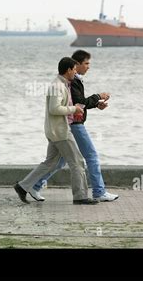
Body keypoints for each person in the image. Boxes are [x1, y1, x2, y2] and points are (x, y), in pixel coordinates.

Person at [30, 50, 118, 202]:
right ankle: (98, 191)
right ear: (75, 65)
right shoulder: (71, 81)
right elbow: (79, 102)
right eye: (86, 63)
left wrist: (96, 104)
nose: (88, 67)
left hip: (70, 124)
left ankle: (34, 185)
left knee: (59, 162)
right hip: (75, 124)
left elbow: (79, 103)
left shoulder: (73, 80)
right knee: (91, 156)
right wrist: (98, 97)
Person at [14, 57, 97, 205]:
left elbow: (59, 107)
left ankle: (22, 186)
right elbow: (54, 108)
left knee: (50, 163)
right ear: (68, 70)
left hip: (55, 131)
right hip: (60, 132)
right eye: (74, 70)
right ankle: (80, 196)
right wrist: (74, 109)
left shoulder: (62, 84)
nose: (76, 73)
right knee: (77, 162)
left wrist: (75, 110)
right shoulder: (57, 86)